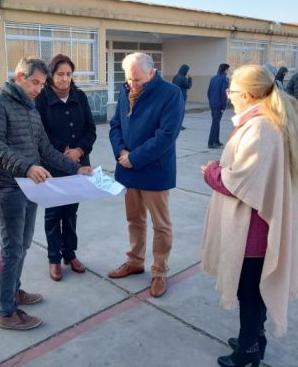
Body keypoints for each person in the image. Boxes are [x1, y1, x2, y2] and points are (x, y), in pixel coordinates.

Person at [201, 64, 298, 367]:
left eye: (232, 90)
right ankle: (254, 337)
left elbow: (240, 182)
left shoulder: (261, 127)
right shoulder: (267, 120)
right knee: (252, 290)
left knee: (249, 292)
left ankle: (248, 349)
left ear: (247, 94)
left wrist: (210, 171)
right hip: (259, 221)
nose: (228, 94)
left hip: (254, 227)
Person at [0, 57, 92, 331]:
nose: (38, 89)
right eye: (34, 82)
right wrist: (27, 167)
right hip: (8, 189)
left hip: (29, 188)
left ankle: (14, 292)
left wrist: (76, 169)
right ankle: (7, 311)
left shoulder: (30, 110)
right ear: (19, 76)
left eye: (42, 84)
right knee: (12, 249)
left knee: (23, 245)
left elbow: (46, 150)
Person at [108, 52, 183, 298]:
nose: (133, 84)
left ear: (152, 72)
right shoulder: (125, 90)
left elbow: (166, 135)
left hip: (154, 170)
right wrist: (121, 151)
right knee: (134, 220)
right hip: (127, 168)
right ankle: (135, 261)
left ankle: (160, 271)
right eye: (129, 78)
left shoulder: (170, 93)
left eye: (138, 79)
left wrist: (134, 157)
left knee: (161, 225)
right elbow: (115, 124)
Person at [35, 54, 97, 281]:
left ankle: (69, 254)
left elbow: (91, 129)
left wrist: (79, 151)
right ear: (51, 75)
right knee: (53, 213)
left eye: (69, 74)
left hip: (78, 165)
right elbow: (39, 133)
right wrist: (63, 150)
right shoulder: (41, 98)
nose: (65, 79)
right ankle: (54, 258)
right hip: (52, 165)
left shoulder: (79, 96)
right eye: (60, 74)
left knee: (71, 212)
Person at [207, 63, 230, 148]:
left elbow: (208, 92)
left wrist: (210, 102)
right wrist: (224, 106)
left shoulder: (213, 78)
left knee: (216, 122)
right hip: (219, 104)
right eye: (228, 70)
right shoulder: (225, 79)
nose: (228, 71)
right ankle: (211, 142)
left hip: (213, 104)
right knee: (215, 123)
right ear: (224, 70)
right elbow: (224, 94)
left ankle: (216, 140)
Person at [172, 64, 192, 130]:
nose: (188, 72)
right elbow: (188, 86)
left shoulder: (175, 77)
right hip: (182, 97)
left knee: (176, 112)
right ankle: (179, 126)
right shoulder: (183, 78)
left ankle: (175, 125)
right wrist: (190, 78)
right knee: (181, 112)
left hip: (175, 96)